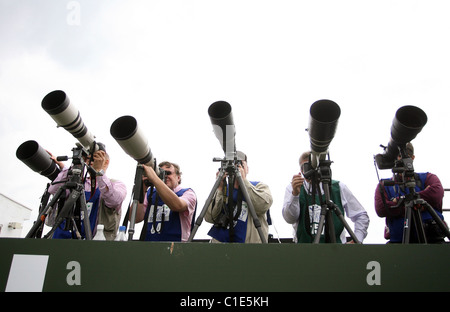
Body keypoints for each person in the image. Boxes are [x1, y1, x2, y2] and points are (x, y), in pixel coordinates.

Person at [282, 151, 369, 243]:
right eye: (306, 167)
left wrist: (357, 240)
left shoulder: (338, 187)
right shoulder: (294, 188)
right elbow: (290, 219)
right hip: (304, 249)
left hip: (336, 249)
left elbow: (361, 215)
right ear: (301, 170)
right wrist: (295, 195)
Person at [47, 145, 127, 240]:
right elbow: (53, 190)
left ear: (106, 162)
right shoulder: (77, 181)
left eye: (97, 159)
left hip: (94, 242)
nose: (91, 162)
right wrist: (75, 166)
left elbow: (113, 201)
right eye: (89, 159)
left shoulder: (116, 184)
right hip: (62, 238)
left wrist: (99, 173)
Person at [374, 142, 446, 243]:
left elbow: (436, 194)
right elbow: (381, 209)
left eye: (404, 156)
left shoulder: (427, 178)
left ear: (412, 158)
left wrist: (398, 202)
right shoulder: (384, 185)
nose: (400, 159)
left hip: (433, 241)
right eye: (398, 156)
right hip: (399, 243)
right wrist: (419, 205)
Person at [205, 151, 273, 243]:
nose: (235, 167)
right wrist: (220, 188)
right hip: (222, 248)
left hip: (249, 250)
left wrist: (243, 182)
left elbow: (262, 206)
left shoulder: (259, 187)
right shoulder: (224, 189)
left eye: (240, 164)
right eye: (232, 164)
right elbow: (209, 217)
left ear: (247, 169)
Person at [132, 161, 197, 242]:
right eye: (160, 173)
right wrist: (143, 188)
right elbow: (135, 218)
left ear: (178, 177)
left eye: (168, 173)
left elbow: (177, 205)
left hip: (176, 247)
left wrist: (155, 178)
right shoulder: (150, 193)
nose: (164, 176)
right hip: (149, 247)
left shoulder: (187, 193)